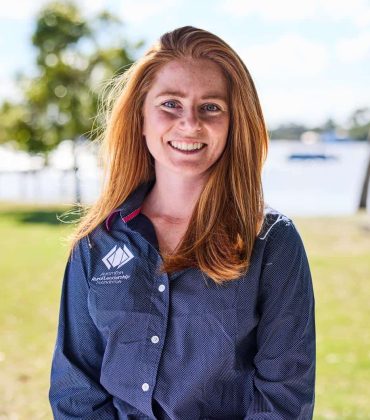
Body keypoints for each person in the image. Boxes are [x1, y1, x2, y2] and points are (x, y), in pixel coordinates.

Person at [49, 26, 316, 419]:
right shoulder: (96, 244)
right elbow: (77, 393)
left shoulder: (273, 242)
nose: (190, 123)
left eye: (211, 107)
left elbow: (284, 400)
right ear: (140, 118)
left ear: (232, 123)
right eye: (170, 104)